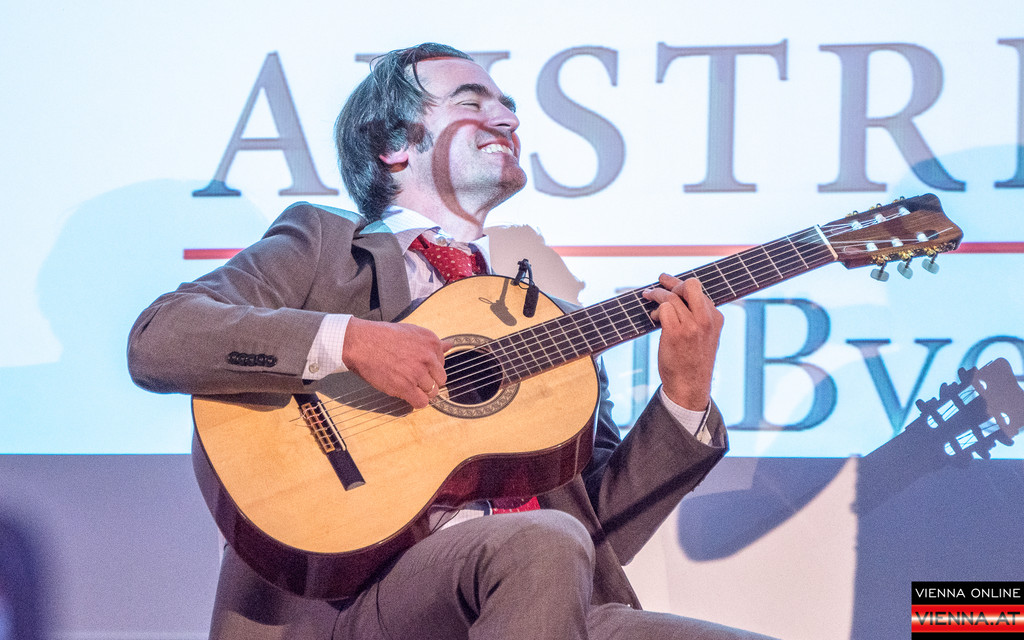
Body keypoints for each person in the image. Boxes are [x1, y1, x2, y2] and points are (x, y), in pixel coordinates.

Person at [128, 43, 776, 640]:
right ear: (393, 144)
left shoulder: (546, 325)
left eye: (510, 108)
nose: (508, 120)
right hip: (349, 601)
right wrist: (351, 342)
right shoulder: (325, 247)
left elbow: (598, 534)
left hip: (539, 594)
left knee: (554, 543)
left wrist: (685, 396)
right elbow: (160, 337)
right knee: (542, 540)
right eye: (472, 102)